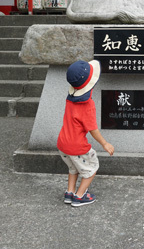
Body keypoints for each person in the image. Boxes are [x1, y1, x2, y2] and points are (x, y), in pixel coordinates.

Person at [57, 60, 115, 207]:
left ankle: (69, 193)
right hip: (77, 146)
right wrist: (105, 143)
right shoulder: (87, 105)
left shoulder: (70, 98)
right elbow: (92, 129)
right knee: (91, 167)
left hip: (62, 143)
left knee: (73, 167)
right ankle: (80, 195)